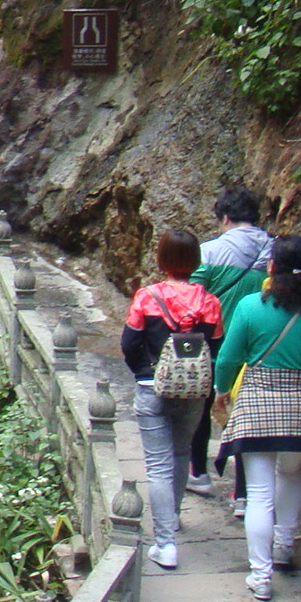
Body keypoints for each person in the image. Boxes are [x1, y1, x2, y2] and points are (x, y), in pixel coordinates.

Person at [213, 234, 301, 600]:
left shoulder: (250, 305)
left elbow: (228, 357)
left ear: (271, 266)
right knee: (289, 475)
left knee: (258, 493)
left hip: (257, 400)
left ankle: (261, 576)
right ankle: (285, 548)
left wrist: (222, 389)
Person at [122, 231, 222, 572]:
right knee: (181, 454)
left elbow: (129, 342)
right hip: (194, 391)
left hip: (153, 387)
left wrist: (143, 372)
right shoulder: (210, 302)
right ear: (195, 262)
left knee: (158, 465)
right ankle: (173, 518)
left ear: (161, 259)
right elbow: (216, 349)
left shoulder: (147, 298)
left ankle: (165, 544)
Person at [188, 189, 272, 498]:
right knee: (246, 418)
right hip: (258, 348)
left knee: (203, 408)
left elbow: (193, 298)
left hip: (214, 343)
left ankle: (198, 473)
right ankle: (242, 494)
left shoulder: (209, 251)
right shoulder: (274, 251)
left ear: (225, 218)